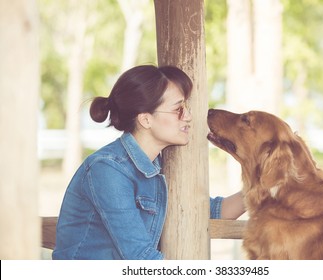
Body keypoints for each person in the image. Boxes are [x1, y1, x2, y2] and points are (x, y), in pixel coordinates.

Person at [53, 65, 245, 260]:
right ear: (146, 120)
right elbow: (141, 258)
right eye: (178, 109)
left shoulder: (158, 166)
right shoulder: (108, 170)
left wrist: (263, 187)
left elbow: (211, 211)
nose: (188, 116)